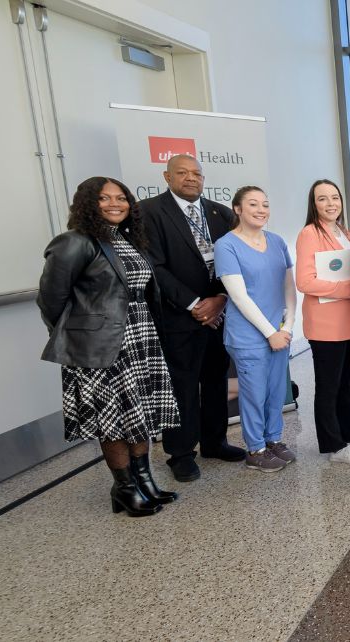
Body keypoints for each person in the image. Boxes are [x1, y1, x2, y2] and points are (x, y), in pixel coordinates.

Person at [38, 177, 180, 516]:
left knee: (138, 413)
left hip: (139, 336)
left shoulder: (128, 240)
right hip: (100, 347)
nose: (115, 203)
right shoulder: (74, 242)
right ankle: (125, 488)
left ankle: (144, 480)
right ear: (89, 203)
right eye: (104, 198)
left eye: (121, 198)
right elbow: (51, 300)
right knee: (113, 417)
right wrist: (82, 335)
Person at [141, 154, 244, 482]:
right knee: (182, 385)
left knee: (215, 379)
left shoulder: (220, 212)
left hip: (218, 313)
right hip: (179, 317)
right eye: (182, 173)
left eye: (196, 173)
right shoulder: (149, 212)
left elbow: (235, 260)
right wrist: (194, 303)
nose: (191, 178)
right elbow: (153, 266)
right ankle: (181, 453)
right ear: (167, 176)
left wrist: (220, 299)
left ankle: (215, 442)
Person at [295, 179, 350, 464]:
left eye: (335, 197)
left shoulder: (344, 231)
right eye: (323, 198)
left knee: (344, 383)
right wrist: (349, 288)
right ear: (313, 203)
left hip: (348, 319)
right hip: (325, 323)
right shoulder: (309, 233)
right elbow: (305, 281)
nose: (331, 203)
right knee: (329, 385)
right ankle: (334, 445)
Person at [214, 186, 296, 472]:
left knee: (275, 391)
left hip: (279, 332)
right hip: (248, 335)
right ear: (238, 209)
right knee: (254, 393)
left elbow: (288, 286)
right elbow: (238, 296)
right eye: (253, 204)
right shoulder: (227, 245)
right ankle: (256, 448)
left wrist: (288, 325)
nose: (261, 210)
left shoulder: (277, 242)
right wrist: (269, 332)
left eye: (265, 204)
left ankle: (273, 440)